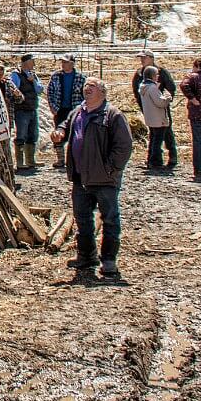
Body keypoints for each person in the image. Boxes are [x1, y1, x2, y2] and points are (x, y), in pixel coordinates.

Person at [51, 80, 132, 280]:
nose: (87, 88)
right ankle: (86, 256)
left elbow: (124, 146)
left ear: (102, 92)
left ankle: (109, 261)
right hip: (80, 177)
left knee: (110, 220)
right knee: (83, 219)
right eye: (86, 85)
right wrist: (60, 131)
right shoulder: (78, 111)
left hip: (104, 179)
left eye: (92, 86)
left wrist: (110, 169)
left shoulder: (112, 115)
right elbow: (66, 124)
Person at [133, 52, 178, 172]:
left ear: (151, 58)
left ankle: (171, 156)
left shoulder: (161, 72)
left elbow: (171, 87)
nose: (142, 60)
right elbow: (135, 91)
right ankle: (154, 159)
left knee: (166, 132)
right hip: (151, 106)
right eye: (141, 58)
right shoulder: (139, 73)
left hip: (160, 106)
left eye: (144, 57)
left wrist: (167, 99)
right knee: (155, 135)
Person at [45, 55, 87, 170]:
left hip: (75, 109)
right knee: (58, 133)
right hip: (60, 109)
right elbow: (50, 91)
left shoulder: (81, 78)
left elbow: (85, 95)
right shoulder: (56, 76)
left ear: (72, 64)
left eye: (66, 62)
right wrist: (52, 106)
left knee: (75, 134)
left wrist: (83, 109)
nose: (63, 64)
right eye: (62, 62)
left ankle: (74, 158)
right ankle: (60, 159)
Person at [11, 54, 42, 171]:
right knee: (21, 135)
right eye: (32, 61)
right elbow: (14, 89)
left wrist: (33, 81)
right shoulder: (16, 74)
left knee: (32, 135)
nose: (34, 63)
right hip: (22, 109)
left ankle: (30, 160)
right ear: (26, 62)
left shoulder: (33, 75)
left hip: (32, 108)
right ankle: (19, 162)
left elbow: (39, 89)